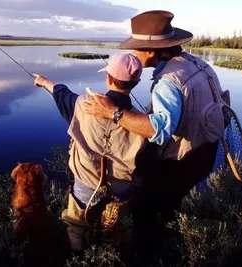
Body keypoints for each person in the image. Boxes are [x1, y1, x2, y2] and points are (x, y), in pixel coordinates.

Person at [82, 10, 230, 253]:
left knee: (144, 211)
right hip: (205, 156)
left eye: (136, 47)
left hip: (180, 163)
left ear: (152, 51)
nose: (133, 52)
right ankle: (169, 241)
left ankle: (148, 254)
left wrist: (113, 113)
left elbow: (159, 132)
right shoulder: (196, 64)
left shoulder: (168, 81)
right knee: (170, 205)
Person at [33, 53, 148, 253]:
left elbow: (61, 93)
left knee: (76, 228)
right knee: (115, 232)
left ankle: (79, 257)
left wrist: (44, 81)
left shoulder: (83, 104)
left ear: (109, 79)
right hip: (121, 191)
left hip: (85, 186)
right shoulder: (143, 123)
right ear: (136, 82)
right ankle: (111, 258)